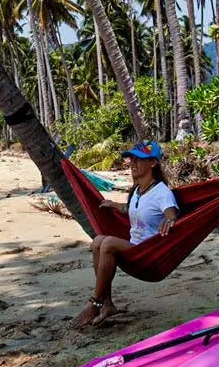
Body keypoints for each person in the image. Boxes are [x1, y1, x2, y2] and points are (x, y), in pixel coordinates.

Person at [73, 140, 179, 328]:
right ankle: (107, 305)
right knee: (98, 240)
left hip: (150, 254)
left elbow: (171, 213)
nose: (132, 163)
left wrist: (169, 220)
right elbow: (132, 209)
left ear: (152, 163)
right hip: (134, 248)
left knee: (108, 243)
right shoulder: (138, 190)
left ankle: (95, 302)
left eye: (138, 159)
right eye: (131, 159)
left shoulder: (162, 192)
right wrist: (114, 205)